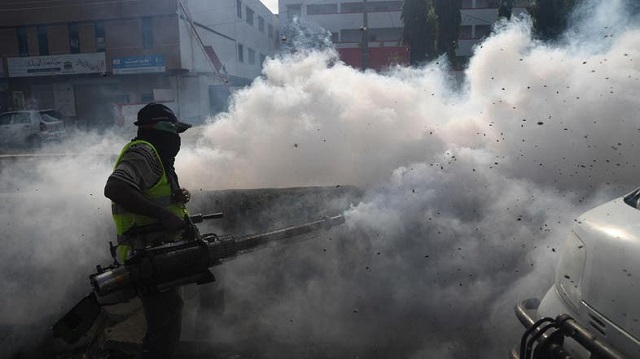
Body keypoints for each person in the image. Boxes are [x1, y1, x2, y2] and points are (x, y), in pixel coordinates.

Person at [104, 103, 192, 358]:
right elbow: (116, 188)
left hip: (158, 252)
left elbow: (150, 192)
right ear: (162, 129)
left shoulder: (158, 157)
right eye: (175, 132)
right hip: (144, 253)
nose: (177, 139)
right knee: (162, 328)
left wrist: (176, 198)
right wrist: (164, 214)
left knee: (168, 320)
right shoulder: (143, 151)